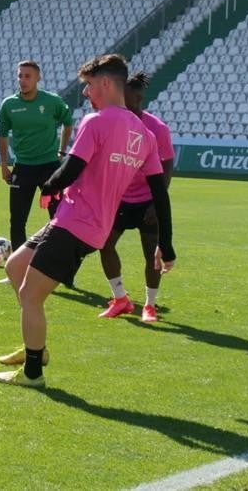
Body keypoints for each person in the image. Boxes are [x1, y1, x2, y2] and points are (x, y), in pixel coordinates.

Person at [0, 54, 175, 388]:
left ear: (105, 84)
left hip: (75, 224)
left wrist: (48, 188)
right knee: (15, 266)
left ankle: (33, 372)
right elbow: (160, 194)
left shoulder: (97, 121)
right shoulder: (144, 135)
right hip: (88, 225)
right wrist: (167, 245)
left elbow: (70, 169)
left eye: (89, 86)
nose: (86, 94)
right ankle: (35, 346)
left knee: (30, 295)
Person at [96, 72, 176, 322]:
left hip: (146, 202)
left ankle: (149, 306)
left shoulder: (157, 128)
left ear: (138, 97)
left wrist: (155, 201)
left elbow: (168, 166)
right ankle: (120, 298)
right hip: (119, 199)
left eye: (124, 95)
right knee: (104, 244)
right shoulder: (115, 122)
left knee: (151, 253)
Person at [0, 60, 73, 251]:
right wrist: (4, 165)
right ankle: (17, 268)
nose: (22, 80)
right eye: (20, 75)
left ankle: (58, 266)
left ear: (38, 78)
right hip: (22, 168)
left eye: (27, 76)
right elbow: (2, 134)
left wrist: (62, 151)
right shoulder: (9, 104)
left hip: (50, 168)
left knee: (58, 219)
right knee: (17, 220)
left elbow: (68, 123)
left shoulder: (52, 101)